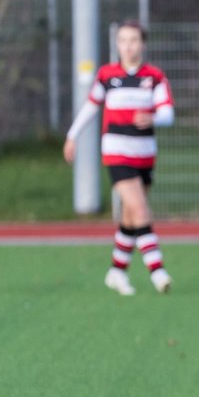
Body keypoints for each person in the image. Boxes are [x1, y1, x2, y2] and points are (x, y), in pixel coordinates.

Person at [64, 20, 174, 296]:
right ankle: (157, 271)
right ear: (117, 44)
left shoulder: (154, 77)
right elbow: (91, 107)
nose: (128, 46)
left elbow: (168, 114)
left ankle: (116, 271)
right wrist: (72, 135)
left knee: (130, 216)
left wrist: (153, 117)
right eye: (123, 40)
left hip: (144, 155)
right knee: (139, 209)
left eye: (134, 40)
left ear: (143, 44)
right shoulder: (107, 75)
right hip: (116, 153)